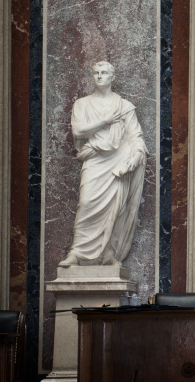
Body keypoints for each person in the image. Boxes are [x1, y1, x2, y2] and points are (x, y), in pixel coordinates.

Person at [59, 61, 147, 267]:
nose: (100, 76)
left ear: (112, 77)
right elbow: (78, 132)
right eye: (96, 72)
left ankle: (109, 254)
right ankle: (77, 252)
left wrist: (135, 157)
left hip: (118, 163)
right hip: (95, 160)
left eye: (104, 73)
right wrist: (105, 121)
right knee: (86, 203)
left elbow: (136, 136)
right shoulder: (81, 104)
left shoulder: (124, 106)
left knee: (116, 209)